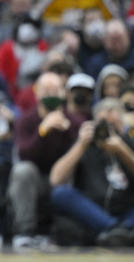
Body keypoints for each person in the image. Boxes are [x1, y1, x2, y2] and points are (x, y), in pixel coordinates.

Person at [50, 99, 134, 246]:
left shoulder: (132, 140)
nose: (107, 129)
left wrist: (123, 150)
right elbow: (56, 179)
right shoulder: (85, 144)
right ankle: (120, 230)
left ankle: (118, 230)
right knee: (60, 193)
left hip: (132, 210)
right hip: (95, 213)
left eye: (113, 121)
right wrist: (81, 144)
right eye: (103, 122)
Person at [9, 72, 85, 247]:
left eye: (55, 90)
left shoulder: (75, 121)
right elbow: (24, 154)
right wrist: (42, 131)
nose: (50, 95)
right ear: (37, 94)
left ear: (64, 94)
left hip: (65, 181)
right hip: (36, 180)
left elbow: (81, 159)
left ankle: (63, 232)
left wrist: (67, 133)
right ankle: (24, 233)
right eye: (46, 90)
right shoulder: (26, 120)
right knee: (22, 170)